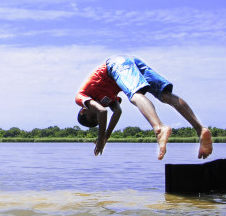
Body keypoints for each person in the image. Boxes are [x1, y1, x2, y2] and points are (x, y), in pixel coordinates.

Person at [76, 55, 212, 160]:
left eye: (92, 116)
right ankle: (200, 129)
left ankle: (159, 128)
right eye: (96, 120)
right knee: (165, 95)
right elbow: (117, 111)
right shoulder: (105, 101)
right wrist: (106, 137)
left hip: (115, 64)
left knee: (135, 95)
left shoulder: (81, 97)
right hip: (133, 62)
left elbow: (102, 112)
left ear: (84, 110)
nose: (96, 116)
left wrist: (101, 138)